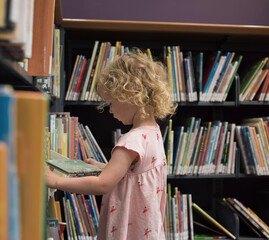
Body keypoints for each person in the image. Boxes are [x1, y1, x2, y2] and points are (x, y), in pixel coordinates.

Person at [46, 51, 177, 239]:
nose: (110, 110)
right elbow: (135, 175)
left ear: (131, 94)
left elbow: (102, 185)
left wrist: (54, 181)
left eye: (112, 101)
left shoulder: (131, 141)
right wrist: (105, 167)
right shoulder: (154, 133)